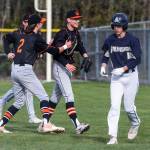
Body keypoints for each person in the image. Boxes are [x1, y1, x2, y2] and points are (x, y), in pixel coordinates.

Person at [0, 14, 72, 133]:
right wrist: (65, 46)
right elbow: (53, 51)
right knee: (43, 97)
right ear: (37, 24)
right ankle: (46, 124)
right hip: (25, 71)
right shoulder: (36, 37)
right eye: (41, 22)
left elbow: (7, 39)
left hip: (15, 70)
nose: (42, 24)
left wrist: (8, 52)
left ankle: (1, 124)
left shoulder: (21, 33)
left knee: (19, 102)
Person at [100, 13, 141, 144]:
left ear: (124, 26)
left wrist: (123, 69)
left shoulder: (133, 40)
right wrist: (103, 65)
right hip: (116, 79)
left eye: (119, 26)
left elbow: (137, 59)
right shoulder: (110, 40)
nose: (116, 28)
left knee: (128, 108)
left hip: (131, 77)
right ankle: (113, 136)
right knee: (114, 106)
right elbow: (106, 54)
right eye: (114, 26)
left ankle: (135, 123)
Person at [47, 9, 90, 134]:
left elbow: (80, 45)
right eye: (75, 18)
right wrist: (66, 64)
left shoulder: (76, 32)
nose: (77, 20)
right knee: (69, 96)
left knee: (55, 97)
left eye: (78, 18)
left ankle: (44, 122)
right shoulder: (61, 34)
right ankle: (78, 126)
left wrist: (86, 56)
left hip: (66, 68)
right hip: (60, 67)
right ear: (68, 20)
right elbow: (56, 53)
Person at [0, 15, 42, 124]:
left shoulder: (34, 34)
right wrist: (7, 52)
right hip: (18, 65)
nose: (29, 24)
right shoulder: (17, 32)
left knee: (23, 91)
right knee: (27, 90)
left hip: (25, 67)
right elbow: (5, 38)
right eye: (27, 22)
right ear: (23, 22)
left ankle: (2, 101)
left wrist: (38, 54)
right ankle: (31, 117)